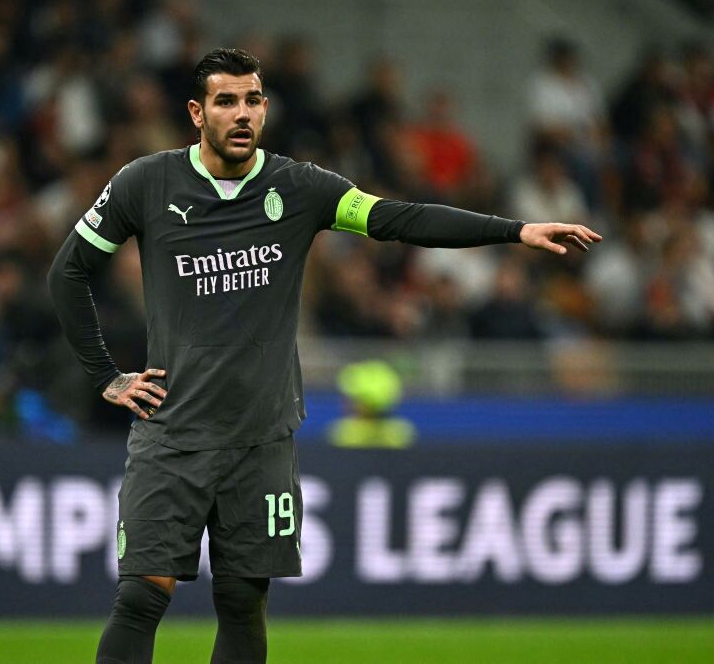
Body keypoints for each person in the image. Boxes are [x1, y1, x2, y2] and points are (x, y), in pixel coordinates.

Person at [47, 47, 601, 664]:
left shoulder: (300, 187)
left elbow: (398, 218)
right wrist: (106, 376)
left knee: (241, 602)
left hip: (261, 441)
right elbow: (67, 272)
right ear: (196, 114)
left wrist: (516, 231)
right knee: (142, 598)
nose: (242, 113)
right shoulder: (146, 183)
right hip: (171, 435)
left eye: (253, 99)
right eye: (225, 100)